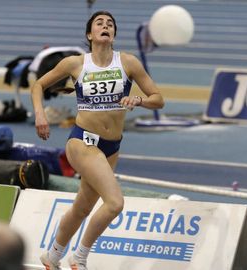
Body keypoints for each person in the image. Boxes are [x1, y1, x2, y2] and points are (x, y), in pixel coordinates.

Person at [31, 10, 164, 270]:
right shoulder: (76, 64)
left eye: (110, 24)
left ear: (113, 35)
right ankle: (79, 258)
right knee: (114, 203)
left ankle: (53, 255)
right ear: (89, 34)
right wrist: (40, 116)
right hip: (83, 142)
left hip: (111, 147)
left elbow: (158, 98)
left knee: (82, 207)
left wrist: (139, 99)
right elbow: (38, 86)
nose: (106, 26)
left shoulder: (128, 63)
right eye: (99, 23)